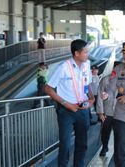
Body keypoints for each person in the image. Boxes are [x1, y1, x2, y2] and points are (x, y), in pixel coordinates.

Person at [44, 39, 95, 167]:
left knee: (82, 143)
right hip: (66, 111)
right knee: (65, 144)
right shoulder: (64, 67)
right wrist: (66, 104)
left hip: (83, 110)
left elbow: (87, 83)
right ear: (76, 53)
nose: (87, 54)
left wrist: (92, 98)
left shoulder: (87, 64)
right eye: (85, 51)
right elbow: (48, 88)